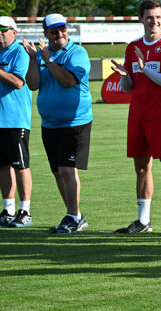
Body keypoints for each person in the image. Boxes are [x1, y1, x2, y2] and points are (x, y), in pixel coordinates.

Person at [113, 0, 161, 236]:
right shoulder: (132, 46)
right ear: (141, 19)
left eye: (157, 17)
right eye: (149, 17)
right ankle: (143, 221)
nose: (154, 21)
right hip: (138, 116)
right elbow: (128, 87)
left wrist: (145, 68)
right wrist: (125, 75)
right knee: (142, 168)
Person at [23, 14, 92, 233]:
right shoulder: (42, 56)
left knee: (67, 169)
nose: (60, 34)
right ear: (45, 34)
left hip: (74, 122)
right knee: (57, 172)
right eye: (54, 31)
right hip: (50, 123)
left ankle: (73, 216)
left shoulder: (77, 53)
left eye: (63, 29)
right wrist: (34, 59)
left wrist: (48, 60)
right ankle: (75, 215)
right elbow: (33, 84)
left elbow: (68, 80)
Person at [0, 16, 33, 228]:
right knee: (2, 166)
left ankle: (25, 210)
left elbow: (18, 82)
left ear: (14, 32)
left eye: (3, 29)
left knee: (21, 166)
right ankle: (8, 209)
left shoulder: (18, 52)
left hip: (15, 119)